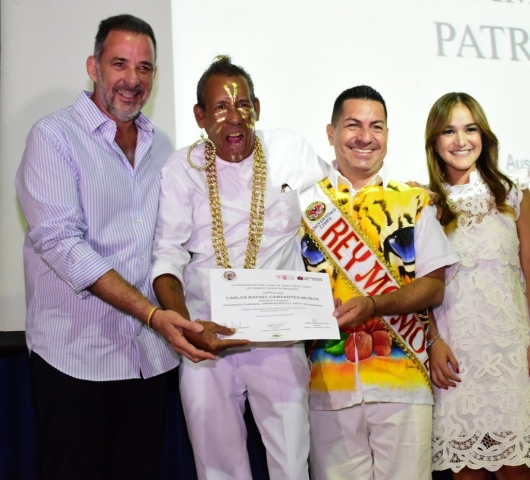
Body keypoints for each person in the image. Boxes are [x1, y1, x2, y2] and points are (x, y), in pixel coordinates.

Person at [15, 15, 241, 480]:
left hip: (149, 362)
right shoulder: (53, 138)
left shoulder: (164, 148)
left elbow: (174, 248)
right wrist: (155, 315)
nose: (132, 80)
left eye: (145, 68)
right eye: (120, 64)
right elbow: (63, 246)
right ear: (93, 67)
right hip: (75, 361)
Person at [151, 55, 329, 479]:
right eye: (220, 108)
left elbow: (341, 201)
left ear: (258, 108)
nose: (235, 118)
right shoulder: (181, 169)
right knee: (218, 469)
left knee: (291, 465)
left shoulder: (288, 149)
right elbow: (167, 258)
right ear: (199, 115)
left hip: (280, 340)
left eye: (243, 105)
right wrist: (187, 326)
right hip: (207, 339)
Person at [299, 85, 460, 480]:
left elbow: (434, 286)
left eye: (377, 127)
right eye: (353, 125)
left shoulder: (413, 200)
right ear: (330, 132)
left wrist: (374, 305)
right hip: (326, 386)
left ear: (388, 135)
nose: (365, 137)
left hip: (402, 382)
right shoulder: (302, 204)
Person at [424, 92, 530, 480]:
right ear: (434, 141)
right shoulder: (426, 205)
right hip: (457, 360)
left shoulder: (514, 196)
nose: (461, 140)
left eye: (470, 128)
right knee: (467, 473)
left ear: (483, 135)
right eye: (448, 131)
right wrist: (433, 342)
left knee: (517, 470)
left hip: (511, 355)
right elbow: (421, 286)